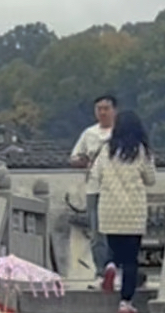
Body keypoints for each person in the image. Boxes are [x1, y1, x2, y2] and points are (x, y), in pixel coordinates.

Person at [89, 109, 155, 313]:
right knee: (130, 259)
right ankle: (125, 302)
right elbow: (150, 178)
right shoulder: (141, 151)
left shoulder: (106, 149)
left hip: (109, 209)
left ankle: (109, 266)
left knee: (114, 248)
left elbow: (96, 175)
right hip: (133, 212)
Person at [70, 94, 117, 290]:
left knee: (116, 230)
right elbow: (73, 158)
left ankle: (116, 270)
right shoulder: (89, 133)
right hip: (94, 189)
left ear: (115, 110)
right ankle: (100, 273)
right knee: (96, 232)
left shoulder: (121, 133)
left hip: (116, 189)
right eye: (99, 108)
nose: (103, 112)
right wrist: (85, 162)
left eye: (106, 108)